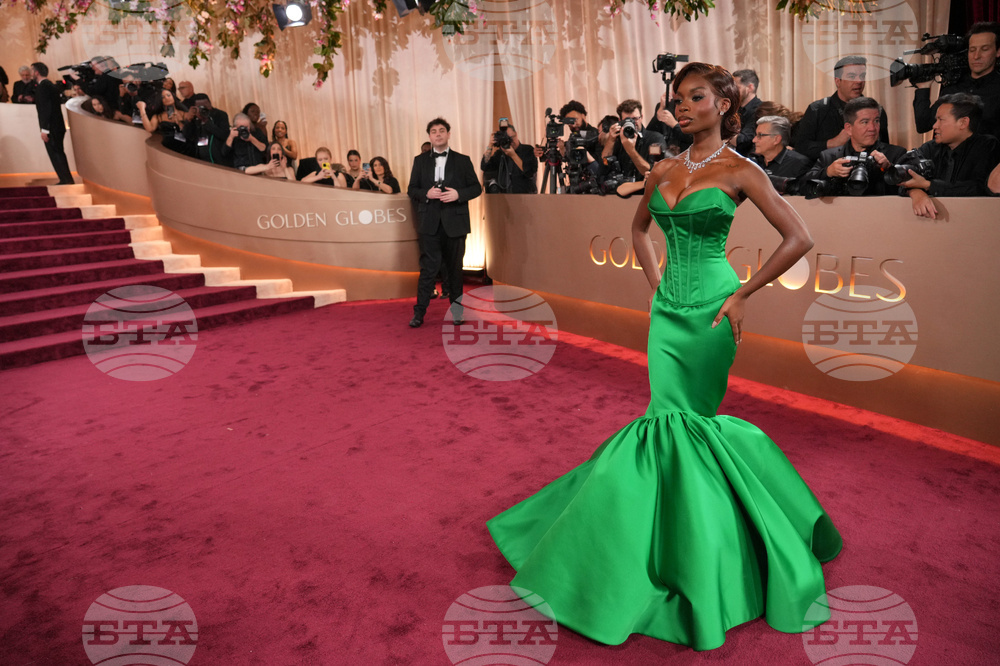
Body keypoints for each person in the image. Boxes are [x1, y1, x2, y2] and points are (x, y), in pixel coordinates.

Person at [487, 61, 842, 652]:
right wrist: (654, 286)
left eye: (694, 97)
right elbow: (639, 231)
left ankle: (706, 553)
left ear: (724, 104)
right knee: (662, 419)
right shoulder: (663, 170)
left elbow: (800, 238)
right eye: (677, 98)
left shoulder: (741, 170)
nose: (680, 106)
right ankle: (651, 544)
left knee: (688, 422)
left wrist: (742, 294)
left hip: (710, 312)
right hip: (666, 315)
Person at [406, 117, 482, 328]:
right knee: (428, 270)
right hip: (429, 223)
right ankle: (419, 313)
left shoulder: (463, 160)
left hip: (455, 223)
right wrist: (426, 193)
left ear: (449, 134)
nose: (438, 134)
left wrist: (459, 194)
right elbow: (411, 190)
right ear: (429, 136)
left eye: (441, 130)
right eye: (433, 131)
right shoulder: (419, 161)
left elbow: (476, 188)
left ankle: (457, 312)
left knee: (455, 269)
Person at [898, 93, 1000, 218]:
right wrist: (916, 192)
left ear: (963, 122)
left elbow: (979, 188)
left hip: (973, 220)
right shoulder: (930, 147)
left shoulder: (987, 146)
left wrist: (928, 185)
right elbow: (904, 180)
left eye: (941, 120)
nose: (934, 126)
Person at [800, 96, 907, 196]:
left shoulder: (895, 154)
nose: (872, 128)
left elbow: (908, 189)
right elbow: (802, 188)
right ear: (848, 129)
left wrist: (889, 169)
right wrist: (828, 172)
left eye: (876, 121)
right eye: (865, 122)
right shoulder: (829, 157)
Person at [913, 22, 1000, 141]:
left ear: (998, 52)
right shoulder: (954, 87)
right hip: (948, 158)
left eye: (984, 49)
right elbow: (923, 125)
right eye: (972, 50)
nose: (976, 56)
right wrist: (923, 87)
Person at [793, 56, 890, 162]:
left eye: (862, 76)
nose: (859, 81)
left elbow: (885, 149)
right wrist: (832, 143)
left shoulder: (876, 110)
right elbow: (800, 148)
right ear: (838, 81)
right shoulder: (817, 110)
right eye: (851, 76)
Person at [599, 99, 668, 183]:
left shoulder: (654, 139)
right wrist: (610, 140)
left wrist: (630, 150)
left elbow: (652, 172)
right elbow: (603, 167)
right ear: (620, 120)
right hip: (621, 190)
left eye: (635, 119)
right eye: (627, 120)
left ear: (641, 117)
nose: (632, 123)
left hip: (644, 191)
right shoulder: (617, 139)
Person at [30, 62, 75, 185]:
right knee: (58, 152)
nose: (31, 73)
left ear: (36, 72)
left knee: (56, 153)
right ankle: (66, 179)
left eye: (32, 71)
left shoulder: (43, 87)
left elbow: (45, 108)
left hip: (51, 127)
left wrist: (45, 129)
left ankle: (66, 180)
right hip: (57, 125)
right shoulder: (51, 85)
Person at [751, 115, 811, 187]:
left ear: (776, 139)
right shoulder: (753, 162)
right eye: (755, 135)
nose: (754, 140)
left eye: (760, 135)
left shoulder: (799, 164)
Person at [481, 123, 539, 193]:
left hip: (525, 198)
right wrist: (490, 145)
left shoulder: (528, 150)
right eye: (506, 139)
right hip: (504, 199)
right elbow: (484, 166)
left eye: (511, 138)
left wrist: (513, 155)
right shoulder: (500, 154)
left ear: (516, 134)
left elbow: (529, 172)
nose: (510, 142)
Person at [182, 93, 231, 166]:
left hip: (219, 160)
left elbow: (224, 135)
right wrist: (188, 120)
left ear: (210, 104)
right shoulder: (195, 118)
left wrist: (206, 121)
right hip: (201, 160)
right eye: (199, 106)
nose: (202, 108)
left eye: (205, 105)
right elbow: (187, 136)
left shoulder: (220, 115)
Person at [136, 88, 189, 153]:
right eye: (163, 97)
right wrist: (142, 109)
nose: (166, 98)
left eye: (168, 95)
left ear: (173, 96)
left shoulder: (184, 113)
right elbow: (150, 128)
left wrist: (178, 122)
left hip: (185, 146)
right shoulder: (159, 116)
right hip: (168, 148)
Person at [731, 68, 764, 156]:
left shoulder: (759, 110)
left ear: (750, 87)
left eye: (737, 87)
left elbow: (743, 140)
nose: (732, 91)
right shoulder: (735, 109)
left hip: (750, 159)